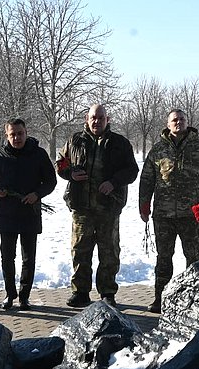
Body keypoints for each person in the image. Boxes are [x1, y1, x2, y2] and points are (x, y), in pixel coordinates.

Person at [55, 104, 139, 308]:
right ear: (87, 118)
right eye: (93, 117)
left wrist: (114, 182)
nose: (96, 121)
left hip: (108, 208)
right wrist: (70, 174)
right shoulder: (75, 140)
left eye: (101, 118)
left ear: (107, 119)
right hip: (81, 208)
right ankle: (80, 292)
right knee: (80, 251)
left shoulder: (119, 143)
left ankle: (107, 292)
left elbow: (132, 170)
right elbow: (60, 163)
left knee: (108, 252)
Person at [139, 109, 199, 313]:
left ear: (187, 122)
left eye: (181, 119)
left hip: (192, 215)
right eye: (174, 120)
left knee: (193, 258)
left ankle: (194, 300)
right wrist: (144, 204)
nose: (178, 123)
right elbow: (147, 179)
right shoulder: (158, 150)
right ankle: (160, 299)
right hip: (163, 215)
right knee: (163, 258)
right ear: (168, 124)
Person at [0, 118, 56, 310]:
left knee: (28, 258)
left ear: (26, 132)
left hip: (29, 213)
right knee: (7, 257)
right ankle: (10, 294)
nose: (17, 137)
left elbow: (51, 181)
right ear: (7, 135)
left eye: (20, 133)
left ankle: (24, 296)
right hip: (7, 214)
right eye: (13, 134)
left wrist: (37, 194)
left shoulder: (38, 154)